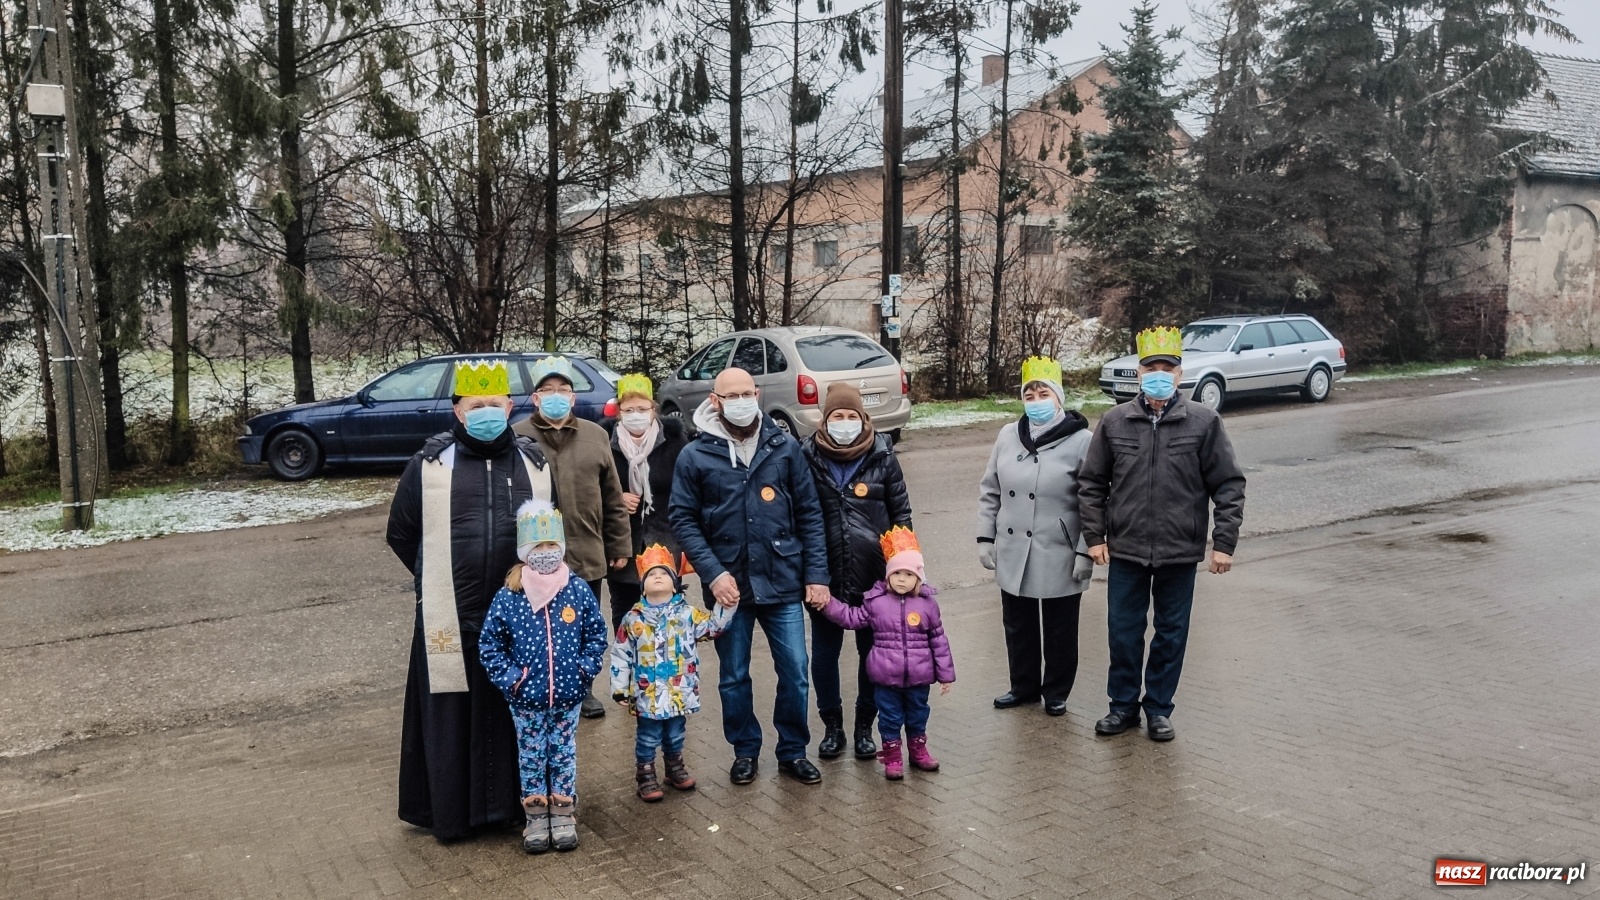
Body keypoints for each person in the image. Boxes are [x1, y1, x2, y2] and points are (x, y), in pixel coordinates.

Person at [386, 359, 557, 842]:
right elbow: (401, 533)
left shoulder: (534, 463)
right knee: (452, 711)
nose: (486, 412)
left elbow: (550, 533)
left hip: (516, 611)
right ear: (458, 411)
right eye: (474, 405)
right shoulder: (430, 464)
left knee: (511, 707)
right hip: (450, 611)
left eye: (494, 404)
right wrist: (435, 580)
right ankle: (453, 814)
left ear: (509, 405)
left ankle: (507, 808)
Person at [1078, 327, 1247, 743]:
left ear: (1178, 374)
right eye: (1151, 367)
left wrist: (1223, 543)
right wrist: (1095, 536)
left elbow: (1228, 484)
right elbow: (1092, 483)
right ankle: (1121, 707)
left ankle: (1158, 708)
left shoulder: (1204, 421)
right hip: (1127, 549)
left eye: (1166, 368)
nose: (1158, 374)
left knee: (1171, 634)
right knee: (1123, 632)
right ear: (1139, 373)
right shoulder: (1116, 421)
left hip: (1178, 550)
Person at [669, 366, 831, 786]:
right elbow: (683, 521)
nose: (741, 401)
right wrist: (713, 573)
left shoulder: (784, 446)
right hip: (729, 588)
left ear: (757, 394)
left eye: (747, 392)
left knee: (795, 670)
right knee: (733, 676)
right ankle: (744, 751)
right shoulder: (695, 454)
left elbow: (810, 513)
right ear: (715, 400)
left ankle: (793, 750)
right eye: (731, 395)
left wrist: (817, 575)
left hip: (782, 580)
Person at [479, 499, 608, 853]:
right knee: (532, 755)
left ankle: (563, 812)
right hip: (526, 698)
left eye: (552, 546)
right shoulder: (510, 595)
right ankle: (536, 816)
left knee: (563, 752)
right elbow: (490, 643)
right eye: (539, 547)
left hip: (567, 694)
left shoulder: (576, 589)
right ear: (525, 551)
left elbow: (596, 634)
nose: (546, 553)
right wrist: (512, 679)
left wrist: (585, 669)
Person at [512, 355, 632, 719]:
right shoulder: (517, 436)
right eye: (547, 390)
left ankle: (583, 690)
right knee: (536, 627)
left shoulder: (596, 436)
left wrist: (619, 545)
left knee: (581, 625)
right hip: (534, 557)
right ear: (535, 398)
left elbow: (613, 495)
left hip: (586, 551)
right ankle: (539, 685)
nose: (555, 396)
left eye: (562, 390)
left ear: (573, 397)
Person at [976, 356, 1094, 717]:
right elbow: (990, 489)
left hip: (1059, 546)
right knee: (1017, 622)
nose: (1036, 399)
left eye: (1044, 392)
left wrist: (1086, 549)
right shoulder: (1008, 435)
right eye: (1030, 393)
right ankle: (1023, 686)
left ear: (1059, 397)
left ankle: (1056, 690)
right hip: (1014, 545)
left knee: (1060, 627)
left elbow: (1096, 497)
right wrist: (985, 536)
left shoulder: (1083, 440)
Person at [800, 382, 912, 761]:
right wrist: (808, 574)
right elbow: (798, 516)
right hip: (824, 578)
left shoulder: (882, 455)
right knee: (825, 654)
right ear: (825, 419)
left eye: (851, 416)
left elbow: (902, 517)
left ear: (863, 418)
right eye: (837, 416)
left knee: (873, 654)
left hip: (875, 578)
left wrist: (905, 569)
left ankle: (866, 726)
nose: (844, 423)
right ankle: (832, 726)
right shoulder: (806, 456)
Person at [806, 527, 954, 781]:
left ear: (918, 578)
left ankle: (918, 751)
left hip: (919, 679)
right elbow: (851, 618)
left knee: (918, 715)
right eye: (896, 573)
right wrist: (829, 603)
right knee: (889, 718)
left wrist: (946, 675)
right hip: (886, 679)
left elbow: (939, 640)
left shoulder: (928, 605)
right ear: (887, 575)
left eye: (908, 574)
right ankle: (892, 757)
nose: (901, 579)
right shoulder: (876, 603)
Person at [609, 545, 736, 802]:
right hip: (647, 692)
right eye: (652, 574)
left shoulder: (688, 615)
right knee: (647, 736)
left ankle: (674, 767)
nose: (658, 577)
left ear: (675, 584)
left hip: (679, 690)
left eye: (664, 574)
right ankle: (645, 775)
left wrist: (728, 604)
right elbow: (620, 653)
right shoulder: (633, 619)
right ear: (643, 586)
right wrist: (620, 687)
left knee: (676, 731)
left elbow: (714, 627)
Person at [604, 373, 692, 631]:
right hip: (624, 541)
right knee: (625, 610)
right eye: (629, 409)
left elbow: (687, 489)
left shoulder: (675, 442)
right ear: (619, 412)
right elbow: (594, 485)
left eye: (642, 408)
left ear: (653, 409)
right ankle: (628, 663)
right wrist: (616, 497)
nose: (636, 414)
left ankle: (669, 664)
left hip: (665, 538)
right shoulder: (606, 443)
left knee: (667, 606)